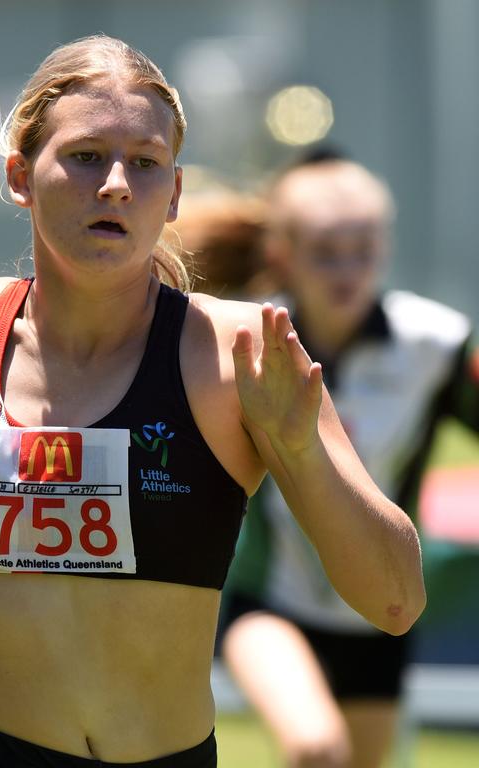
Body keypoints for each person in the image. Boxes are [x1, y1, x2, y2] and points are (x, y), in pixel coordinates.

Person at [0, 36, 426, 768]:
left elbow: (395, 602)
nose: (116, 184)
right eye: (86, 155)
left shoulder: (236, 356)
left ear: (174, 193)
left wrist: (303, 450)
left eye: (144, 163)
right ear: (22, 176)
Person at [218, 152, 479, 768]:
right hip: (269, 602)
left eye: (362, 250)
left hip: (379, 612)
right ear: (282, 254)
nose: (347, 270)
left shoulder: (433, 344)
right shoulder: (244, 338)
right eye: (326, 252)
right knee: (317, 748)